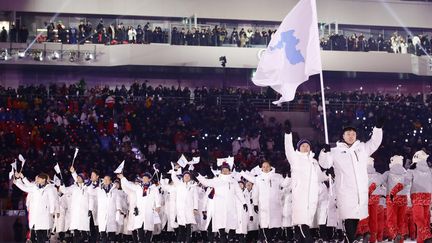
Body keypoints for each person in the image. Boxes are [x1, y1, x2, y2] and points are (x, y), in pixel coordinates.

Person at [319, 118, 384, 243]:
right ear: (343, 136)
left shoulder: (362, 148)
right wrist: (324, 152)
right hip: (345, 191)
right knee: (348, 218)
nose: (351, 136)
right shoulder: (335, 151)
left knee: (356, 219)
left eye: (353, 134)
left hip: (360, 192)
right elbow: (325, 164)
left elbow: (375, 143)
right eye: (348, 134)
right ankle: (350, 239)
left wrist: (378, 128)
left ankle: (350, 239)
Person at [284, 120, 322, 243]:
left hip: (312, 198)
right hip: (300, 195)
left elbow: (320, 177)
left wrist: (328, 174)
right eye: (303, 146)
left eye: (307, 145)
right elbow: (288, 149)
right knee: (302, 224)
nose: (305, 147)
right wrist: (288, 134)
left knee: (304, 227)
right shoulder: (295, 158)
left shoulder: (314, 162)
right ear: (299, 148)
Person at [196, 162, 247, 243]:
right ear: (221, 171)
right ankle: (223, 239)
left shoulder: (233, 181)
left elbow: (238, 192)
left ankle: (229, 238)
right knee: (221, 225)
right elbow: (206, 182)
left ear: (230, 171)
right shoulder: (217, 180)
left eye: (227, 170)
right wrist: (197, 175)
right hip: (220, 207)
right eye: (223, 170)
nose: (225, 171)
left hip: (231, 207)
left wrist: (244, 202)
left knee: (232, 226)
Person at [118, 172, 161, 243]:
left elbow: (157, 198)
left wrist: (158, 206)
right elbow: (128, 185)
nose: (144, 179)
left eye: (146, 178)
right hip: (140, 210)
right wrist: (122, 178)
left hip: (149, 210)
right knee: (139, 227)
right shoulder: (138, 187)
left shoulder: (153, 188)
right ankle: (141, 241)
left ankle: (147, 241)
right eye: (143, 178)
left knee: (149, 228)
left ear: (149, 179)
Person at [13, 172, 55, 243]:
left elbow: (52, 201)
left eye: (39, 178)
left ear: (43, 179)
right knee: (38, 237)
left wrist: (52, 211)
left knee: (44, 237)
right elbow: (26, 188)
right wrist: (17, 182)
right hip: (37, 217)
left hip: (45, 216)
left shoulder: (49, 189)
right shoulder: (35, 188)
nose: (37, 179)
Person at [382, 155, 410, 243]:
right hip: (403, 198)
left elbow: (380, 182)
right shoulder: (406, 173)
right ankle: (400, 240)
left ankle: (395, 234)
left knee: (391, 220)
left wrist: (387, 187)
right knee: (401, 221)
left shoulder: (388, 173)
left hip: (392, 197)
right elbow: (408, 184)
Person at [60, 166, 91, 243]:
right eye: (77, 177)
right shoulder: (74, 188)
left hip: (84, 212)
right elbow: (64, 190)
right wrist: (61, 184)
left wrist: (90, 209)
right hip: (75, 213)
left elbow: (91, 199)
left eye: (80, 177)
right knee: (76, 231)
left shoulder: (87, 187)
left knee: (84, 231)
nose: (78, 178)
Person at [406, 150, 432, 243]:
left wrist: (407, 198)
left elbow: (406, 184)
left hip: (416, 196)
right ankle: (422, 240)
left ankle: (427, 236)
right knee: (424, 221)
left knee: (418, 219)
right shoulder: (430, 170)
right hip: (428, 197)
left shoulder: (411, 170)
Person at [170, 170, 198, 243]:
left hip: (189, 209)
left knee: (188, 226)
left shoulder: (193, 186)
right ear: (183, 177)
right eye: (185, 176)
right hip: (180, 209)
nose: (186, 177)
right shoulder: (179, 184)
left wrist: (195, 208)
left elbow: (195, 198)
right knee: (181, 227)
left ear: (190, 178)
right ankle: (180, 241)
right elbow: (173, 177)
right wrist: (175, 170)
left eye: (188, 176)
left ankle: (188, 240)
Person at [95, 175, 119, 243]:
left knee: (111, 235)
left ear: (110, 181)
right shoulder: (99, 190)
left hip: (111, 214)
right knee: (103, 235)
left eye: (107, 179)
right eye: (104, 179)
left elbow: (118, 202)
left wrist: (118, 212)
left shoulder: (114, 190)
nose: (105, 181)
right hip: (102, 215)